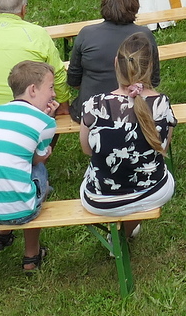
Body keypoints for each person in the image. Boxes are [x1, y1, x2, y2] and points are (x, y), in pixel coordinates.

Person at [75, 32, 176, 237]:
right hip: (151, 193)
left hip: (100, 199)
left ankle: (121, 235)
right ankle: (124, 233)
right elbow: (162, 148)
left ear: (115, 63)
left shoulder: (94, 104)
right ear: (151, 67)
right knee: (164, 179)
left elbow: (87, 149)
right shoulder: (161, 104)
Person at [0, 59, 60, 272]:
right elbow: (37, 159)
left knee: (9, 167)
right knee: (38, 171)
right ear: (33, 90)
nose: (53, 94)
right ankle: (31, 255)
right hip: (21, 211)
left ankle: (2, 234)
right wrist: (49, 119)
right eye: (51, 88)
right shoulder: (45, 122)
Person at [68, 0, 162, 109]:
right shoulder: (144, 36)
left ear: (104, 4)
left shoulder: (86, 34)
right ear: (135, 5)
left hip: (91, 109)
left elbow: (73, 79)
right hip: (134, 109)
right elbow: (153, 79)